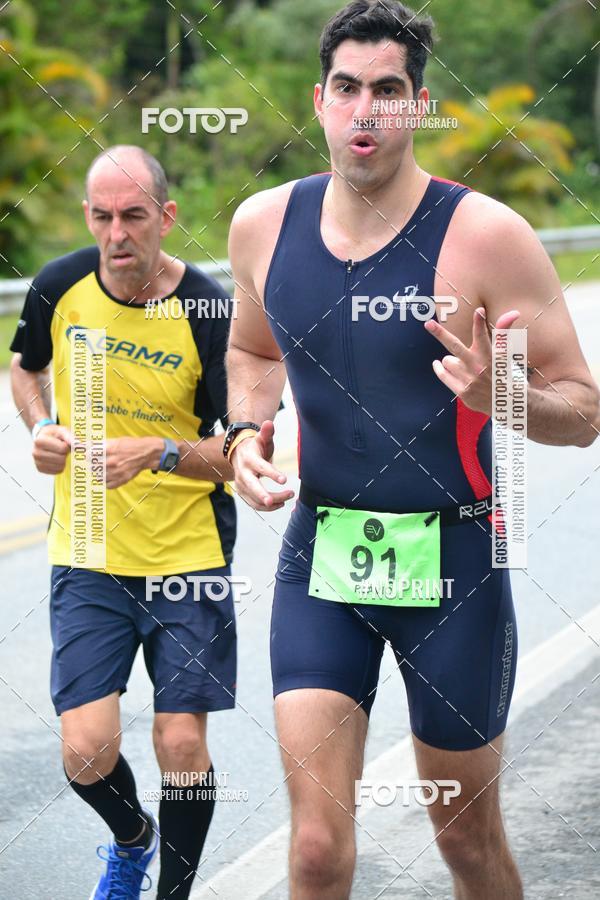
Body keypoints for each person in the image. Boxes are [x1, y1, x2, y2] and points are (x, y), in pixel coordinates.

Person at [224, 2, 599, 898]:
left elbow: (584, 410)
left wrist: (498, 394)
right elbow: (251, 349)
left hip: (454, 567)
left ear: (417, 104)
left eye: (387, 91)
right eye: (347, 89)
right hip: (324, 556)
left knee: (466, 843)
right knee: (316, 850)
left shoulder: (487, 236)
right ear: (319, 100)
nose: (365, 111)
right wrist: (243, 433)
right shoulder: (261, 226)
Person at [10, 145, 237, 899]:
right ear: (87, 216)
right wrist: (42, 426)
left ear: (166, 218)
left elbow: (240, 453)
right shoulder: (56, 285)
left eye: (134, 216)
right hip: (88, 547)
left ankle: (174, 891)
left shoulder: (208, 310)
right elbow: (26, 367)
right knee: (84, 750)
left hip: (187, 550)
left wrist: (162, 452)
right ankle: (132, 839)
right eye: (102, 216)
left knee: (179, 739)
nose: (117, 234)